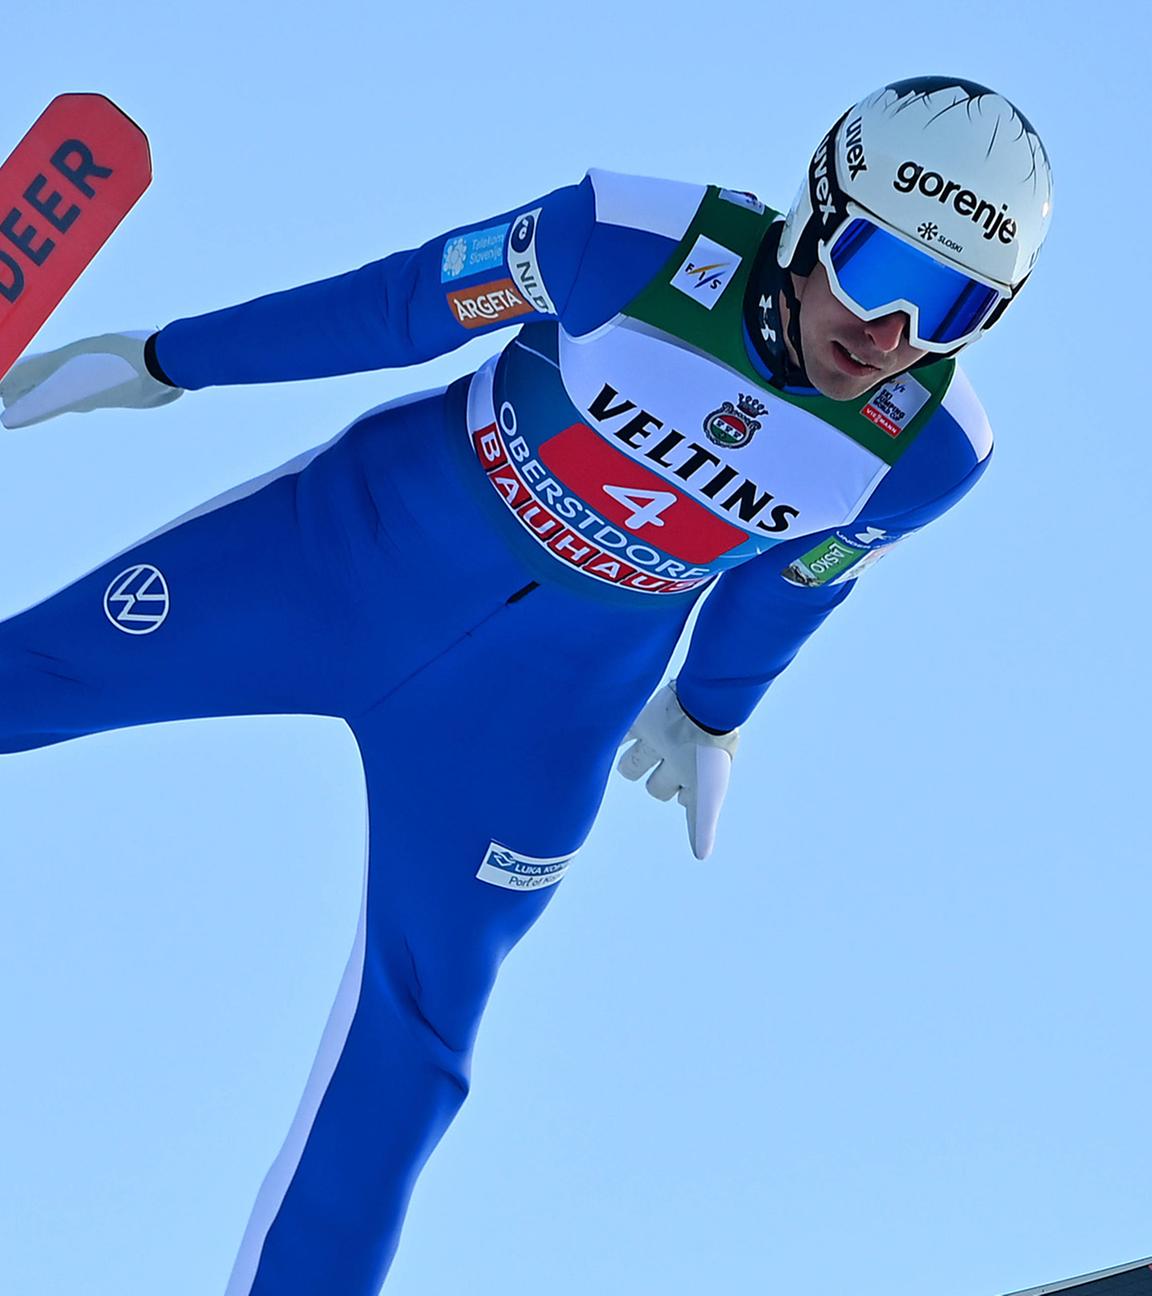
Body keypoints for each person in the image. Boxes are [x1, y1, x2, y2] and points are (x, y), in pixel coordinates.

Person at [0, 75, 1052, 1294]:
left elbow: (791, 585)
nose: (893, 334)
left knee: (418, 1047)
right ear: (818, 214)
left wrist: (717, 710)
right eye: (879, 272)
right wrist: (168, 358)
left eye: (952, 307)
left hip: (527, 732)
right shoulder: (628, 241)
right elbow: (402, 305)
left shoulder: (928, 450)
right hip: (332, 565)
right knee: (27, 679)